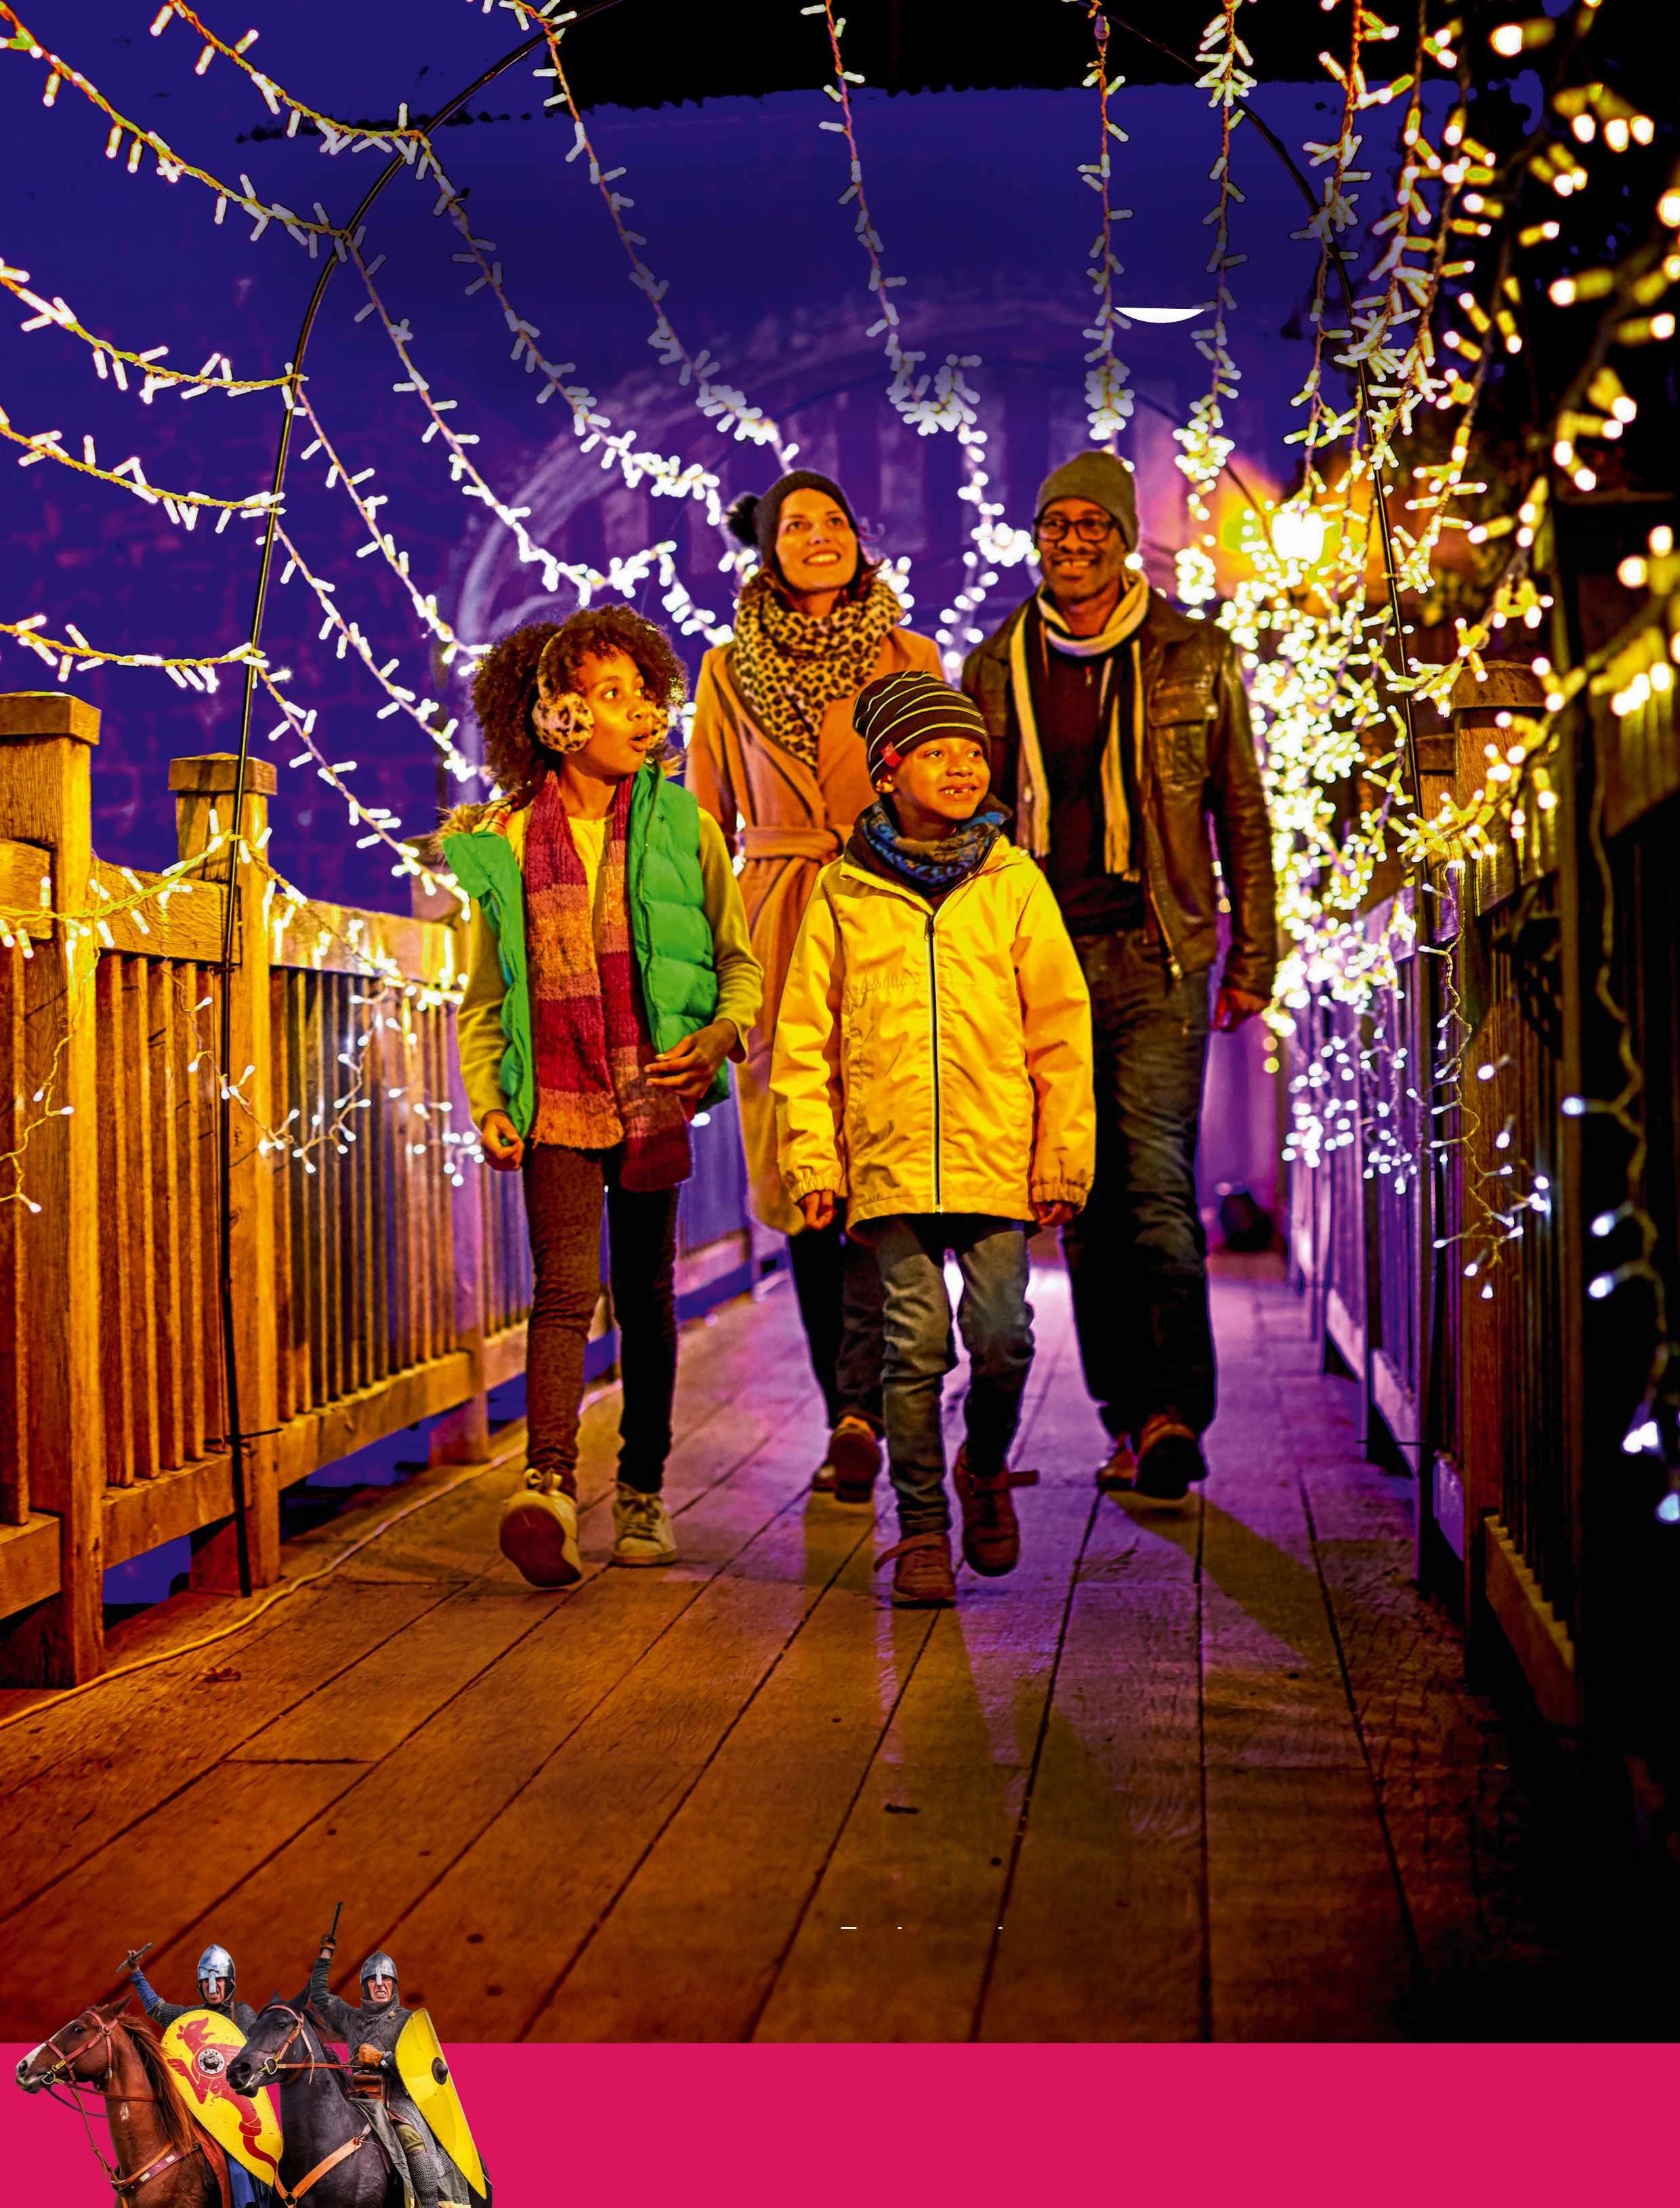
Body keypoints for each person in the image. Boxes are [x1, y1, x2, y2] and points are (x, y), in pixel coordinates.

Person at [963, 451, 1277, 1500]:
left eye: (1093, 523)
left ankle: (1174, 1408)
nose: (1073, 541)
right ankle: (1130, 1417)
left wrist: (1255, 952)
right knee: (1082, 1198)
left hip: (1158, 948)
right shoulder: (995, 661)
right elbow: (970, 816)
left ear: (1125, 537)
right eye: (1056, 523)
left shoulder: (1195, 652)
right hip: (1040, 959)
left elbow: (1241, 809)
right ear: (1037, 539)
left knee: (1157, 1186)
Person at [444, 607, 762, 1587]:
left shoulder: (686, 826)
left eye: (646, 692)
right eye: (610, 694)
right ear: (558, 716)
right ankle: (545, 1485)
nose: (641, 712)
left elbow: (740, 963)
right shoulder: (504, 842)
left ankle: (641, 1489)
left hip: (654, 1093)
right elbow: (485, 995)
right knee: (563, 1291)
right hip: (554, 1099)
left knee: (647, 1297)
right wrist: (489, 1099)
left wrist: (719, 1037)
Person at [773, 671, 1095, 1606]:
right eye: (935, 751)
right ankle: (919, 1528)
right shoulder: (843, 890)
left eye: (972, 751)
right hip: (889, 1157)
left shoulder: (1012, 882)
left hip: (996, 1153)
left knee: (1002, 1338)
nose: (961, 766)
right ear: (887, 772)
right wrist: (812, 1157)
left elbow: (1059, 1027)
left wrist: (1061, 1155)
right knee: (912, 1347)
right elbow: (804, 1037)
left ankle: (983, 1464)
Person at [688, 470, 943, 1503]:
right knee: (802, 1174)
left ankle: (863, 1409)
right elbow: (703, 825)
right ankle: (849, 1406)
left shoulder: (910, 655)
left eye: (834, 520)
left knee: (881, 1159)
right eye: (796, 523)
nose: (819, 536)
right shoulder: (724, 669)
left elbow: (943, 789)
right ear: (770, 547)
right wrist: (700, 965)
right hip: (776, 921)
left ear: (857, 539)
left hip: (882, 909)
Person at [306, 1944, 456, 2208]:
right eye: (372, 1980)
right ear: (365, 1987)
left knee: (412, 2139)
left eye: (385, 1979)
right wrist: (325, 1956)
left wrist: (381, 2058)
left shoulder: (407, 2021)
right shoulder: (351, 2019)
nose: (379, 1984)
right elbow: (319, 1997)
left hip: (396, 2101)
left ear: (394, 1984)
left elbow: (424, 2067)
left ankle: (430, 2204)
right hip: (356, 2099)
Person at [128, 1946, 271, 2207]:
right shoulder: (192, 2017)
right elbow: (158, 2009)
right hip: (200, 2112)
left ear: (230, 1984)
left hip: (236, 2115)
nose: (213, 1987)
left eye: (219, 1981)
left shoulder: (243, 2015)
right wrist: (137, 1973)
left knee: (240, 2170)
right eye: (207, 1982)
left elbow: (260, 2055)